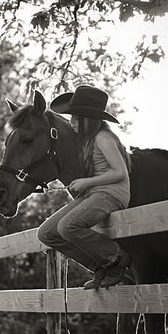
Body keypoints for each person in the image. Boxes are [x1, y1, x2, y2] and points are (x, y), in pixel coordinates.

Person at [37, 84, 132, 289]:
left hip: (112, 194)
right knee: (46, 233)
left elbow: (120, 172)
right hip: (94, 194)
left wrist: (86, 182)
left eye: (76, 118)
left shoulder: (103, 138)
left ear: (88, 119)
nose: (72, 122)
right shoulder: (88, 141)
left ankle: (115, 259)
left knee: (67, 226)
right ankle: (100, 265)